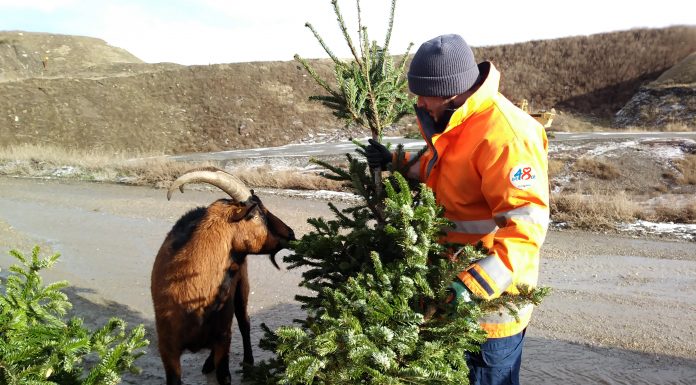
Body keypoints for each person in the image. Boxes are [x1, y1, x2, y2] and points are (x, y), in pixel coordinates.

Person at [366, 34, 549, 385]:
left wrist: (472, 286)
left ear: (452, 90)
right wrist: (396, 161)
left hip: (488, 307)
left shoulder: (506, 136)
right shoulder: (455, 120)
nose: (418, 101)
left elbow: (526, 229)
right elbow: (446, 173)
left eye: (424, 94)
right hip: (447, 290)